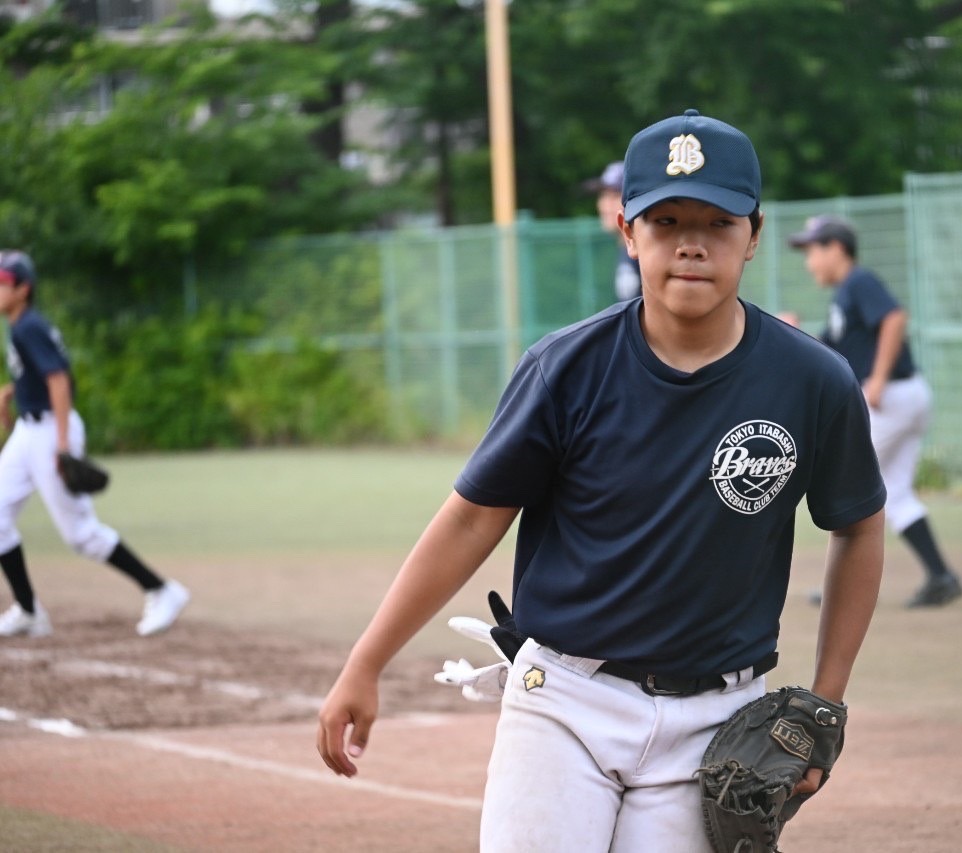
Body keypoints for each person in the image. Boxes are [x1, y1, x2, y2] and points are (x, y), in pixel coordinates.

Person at [317, 109, 887, 852]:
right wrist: (366, 662)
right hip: (563, 703)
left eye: (718, 221)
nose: (691, 242)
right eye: (666, 219)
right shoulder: (567, 368)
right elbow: (470, 519)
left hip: (718, 718)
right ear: (627, 230)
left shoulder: (813, 380)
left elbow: (859, 523)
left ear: (753, 234)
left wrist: (826, 701)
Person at [0, 250, 190, 638]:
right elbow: (41, 376)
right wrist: (11, 393)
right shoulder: (21, 325)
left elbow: (59, 381)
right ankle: (29, 609)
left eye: (3, 282)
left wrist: (64, 445)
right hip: (29, 429)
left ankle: (162, 589)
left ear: (23, 289)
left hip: (52, 431)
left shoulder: (28, 327)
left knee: (81, 535)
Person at [787, 215, 962, 608]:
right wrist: (792, 334)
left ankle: (843, 588)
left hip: (892, 395)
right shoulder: (843, 295)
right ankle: (941, 576)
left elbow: (894, 317)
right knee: (895, 493)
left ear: (836, 249)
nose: (808, 261)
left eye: (813, 250)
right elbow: (828, 348)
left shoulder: (858, 281)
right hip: (905, 396)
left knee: (843, 482)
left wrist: (879, 378)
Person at [583, 160, 642, 301]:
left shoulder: (644, 251)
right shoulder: (626, 248)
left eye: (614, 196)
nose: (605, 205)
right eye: (603, 196)